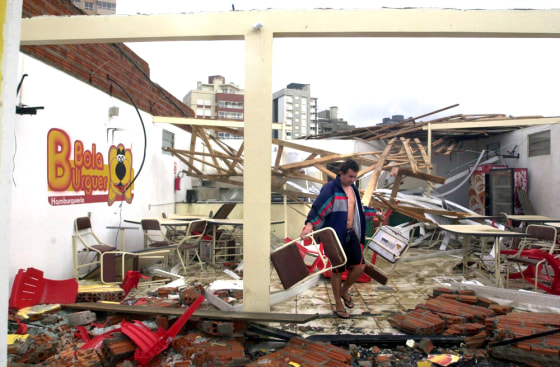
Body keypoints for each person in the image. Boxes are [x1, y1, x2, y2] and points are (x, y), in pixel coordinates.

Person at [300, 159, 382, 319]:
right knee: (337, 271)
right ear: (341, 173)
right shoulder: (330, 189)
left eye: (354, 177)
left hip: (352, 234)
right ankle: (338, 303)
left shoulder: (353, 189)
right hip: (335, 236)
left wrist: (376, 213)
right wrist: (309, 225)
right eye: (350, 176)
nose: (352, 180)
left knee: (359, 267)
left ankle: (344, 290)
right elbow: (318, 209)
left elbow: (359, 210)